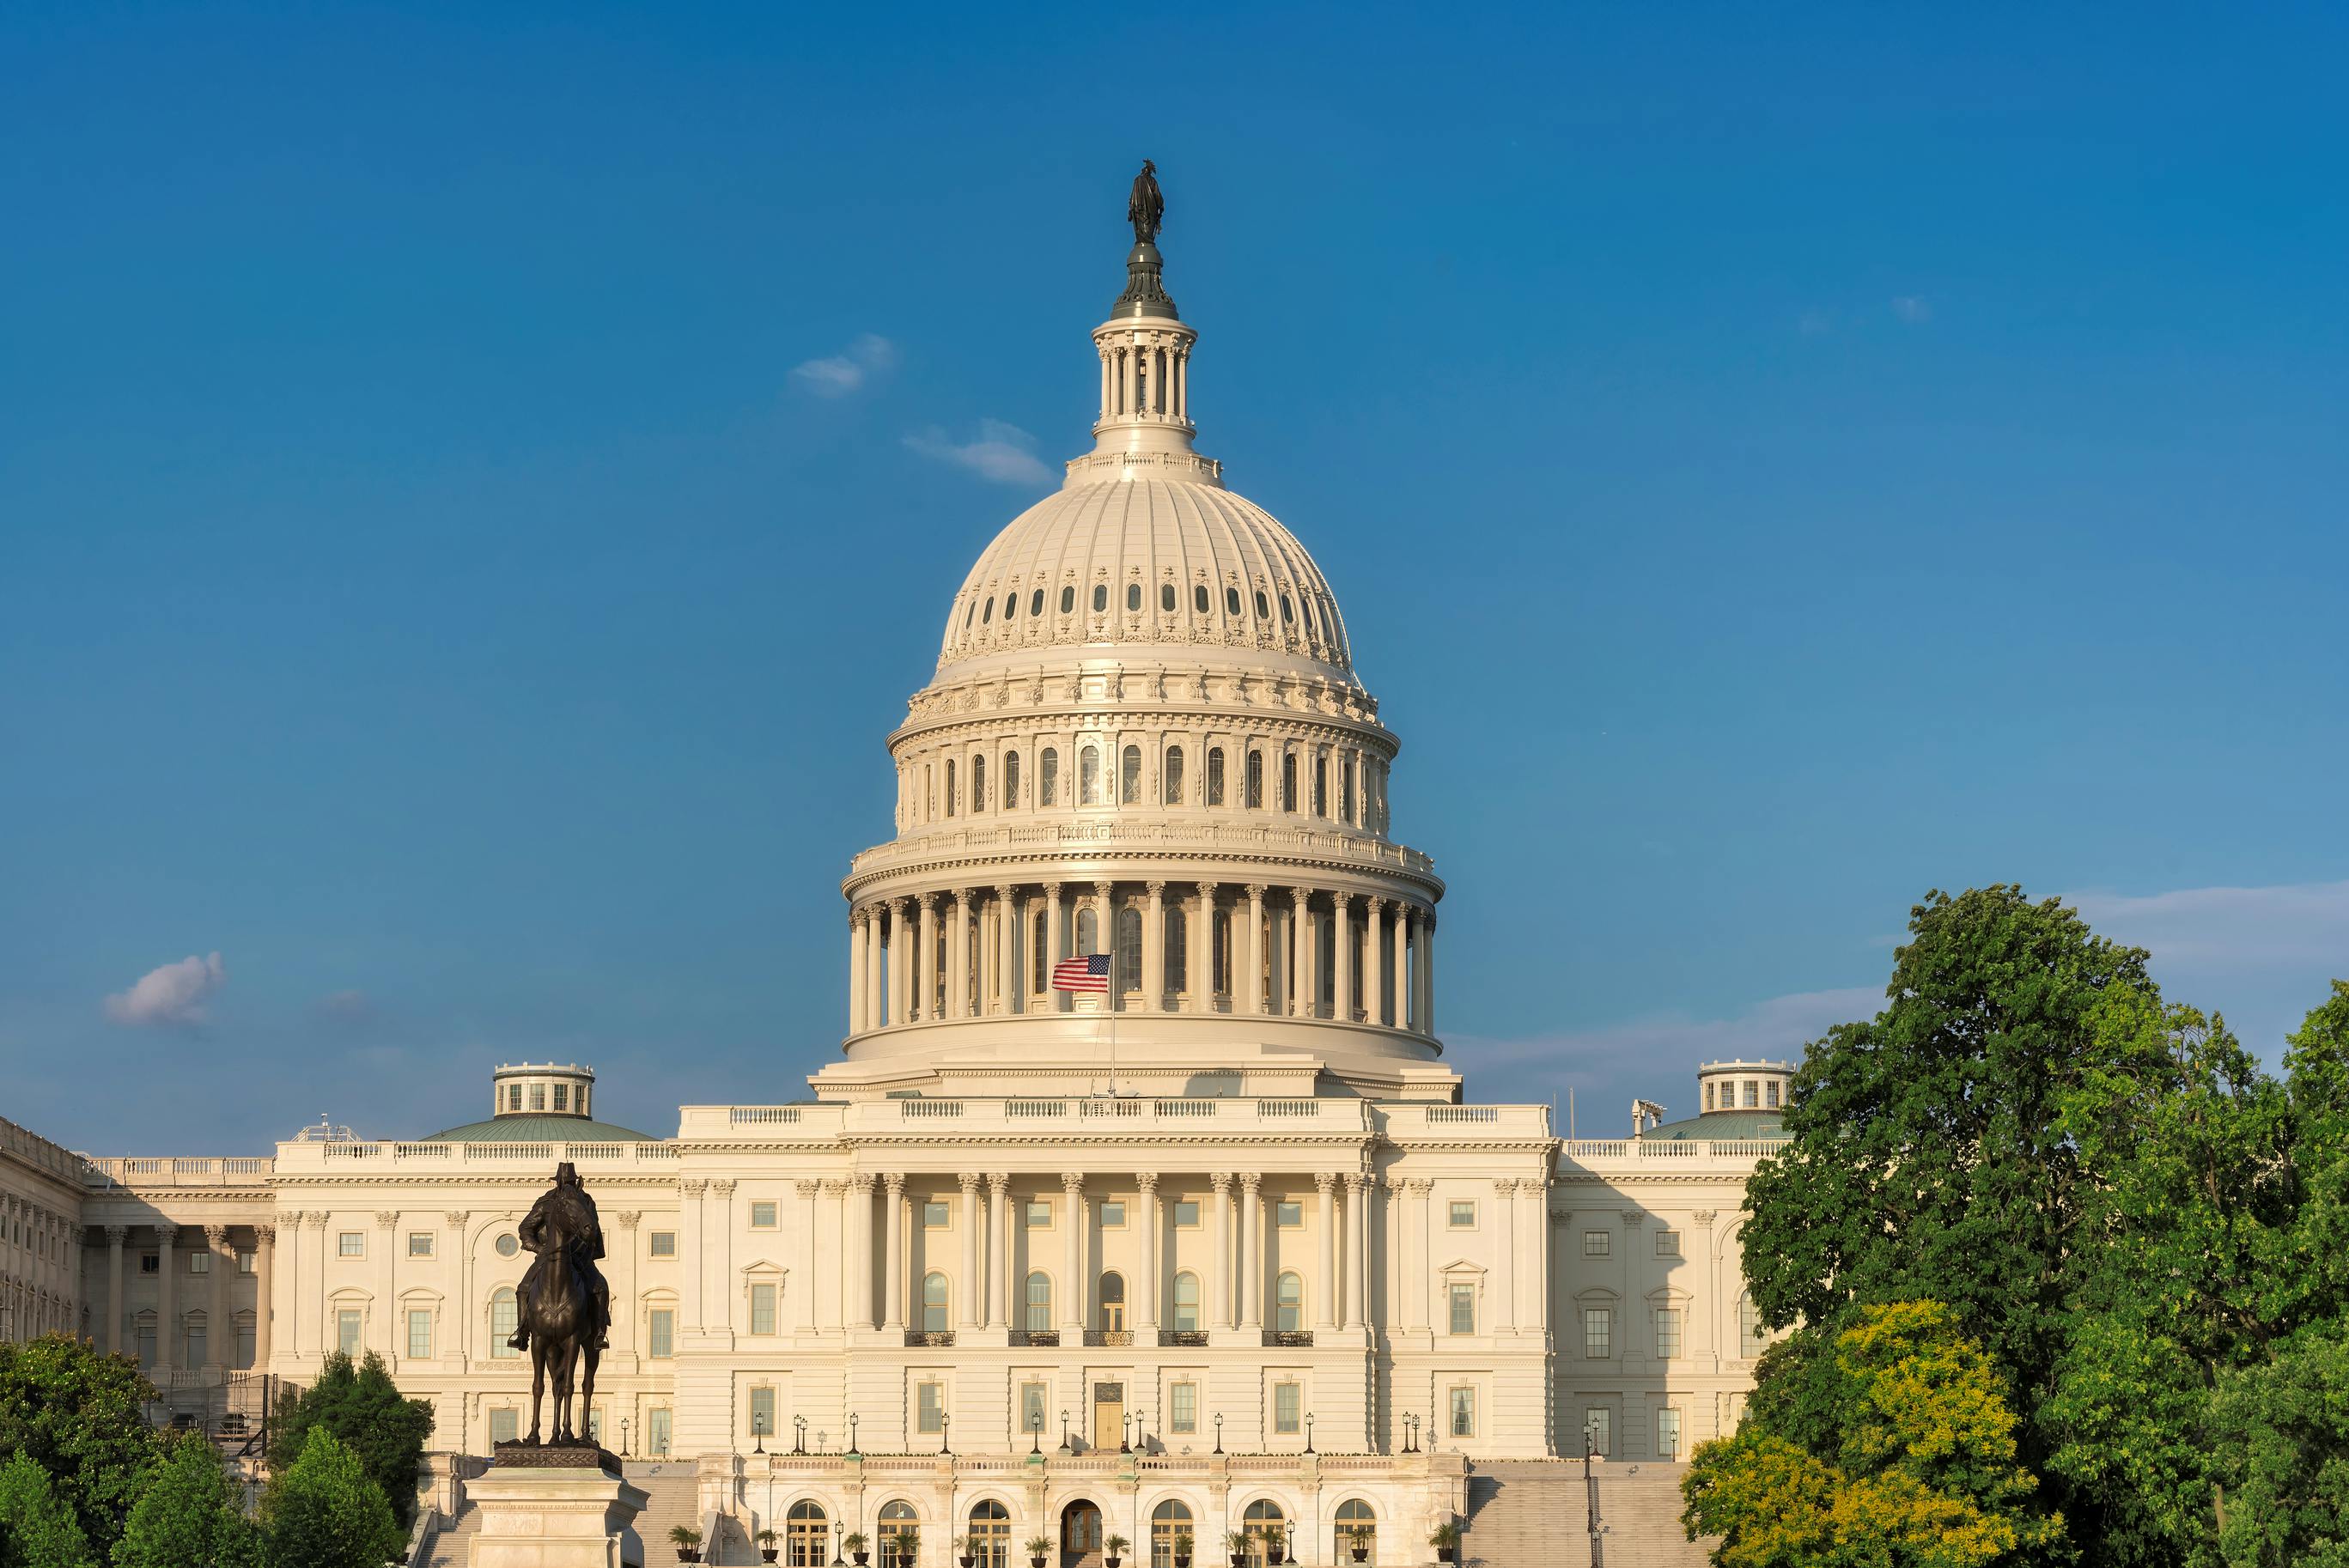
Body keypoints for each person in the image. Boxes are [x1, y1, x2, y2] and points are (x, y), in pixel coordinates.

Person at [508, 1161, 611, 1352]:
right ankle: (522, 1332)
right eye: (566, 1182)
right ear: (559, 1182)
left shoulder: (586, 1202)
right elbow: (526, 1228)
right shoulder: (547, 1202)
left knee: (600, 1287)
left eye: (571, 1182)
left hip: (579, 1256)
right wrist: (539, 1248)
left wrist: (587, 1246)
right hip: (549, 1255)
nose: (568, 1185)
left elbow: (592, 1228)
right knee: (523, 1288)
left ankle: (599, 1333)